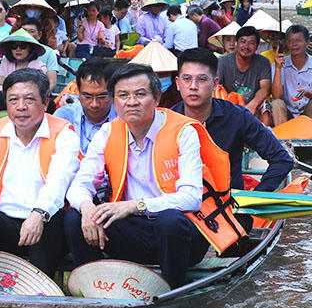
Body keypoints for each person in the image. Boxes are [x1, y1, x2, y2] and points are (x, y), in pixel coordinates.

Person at [65, 64, 246, 288]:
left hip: (180, 233)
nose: (131, 102)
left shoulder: (183, 131)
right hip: (131, 230)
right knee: (75, 217)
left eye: (140, 94)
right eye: (123, 95)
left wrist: (134, 206)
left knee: (169, 221)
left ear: (157, 98)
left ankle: (171, 293)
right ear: (114, 101)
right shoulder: (108, 132)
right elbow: (81, 183)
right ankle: (93, 289)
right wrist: (86, 209)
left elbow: (191, 198)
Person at [0, 69, 80, 277]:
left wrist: (38, 214)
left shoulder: (64, 134)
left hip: (45, 224)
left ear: (45, 102)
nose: (20, 107)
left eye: (29, 99)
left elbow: (58, 182)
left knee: (54, 217)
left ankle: (39, 285)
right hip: (6, 223)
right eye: (13, 100)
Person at [172, 48, 292, 192]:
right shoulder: (167, 121)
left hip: (229, 202)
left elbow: (282, 160)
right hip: (180, 202)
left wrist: (253, 198)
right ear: (178, 83)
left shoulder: (237, 116)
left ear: (215, 84)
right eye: (187, 79)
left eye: (202, 79)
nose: (193, 86)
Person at [270, 24, 312, 126]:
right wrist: (277, 68)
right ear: (286, 44)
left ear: (307, 43)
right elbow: (276, 96)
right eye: (290, 41)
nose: (294, 44)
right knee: (276, 103)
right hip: (288, 113)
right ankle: (282, 135)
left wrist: (308, 93)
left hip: (308, 112)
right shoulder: (279, 64)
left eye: (298, 40)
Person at [53, 58, 117, 154]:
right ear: (78, 92)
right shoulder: (63, 117)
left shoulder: (124, 119)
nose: (94, 104)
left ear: (113, 92)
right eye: (87, 96)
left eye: (102, 96)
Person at [216, 26, 272, 118]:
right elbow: (216, 87)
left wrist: (252, 105)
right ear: (236, 43)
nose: (246, 46)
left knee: (266, 110)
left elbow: (265, 88)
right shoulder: (222, 61)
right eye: (243, 42)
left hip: (253, 104)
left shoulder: (263, 62)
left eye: (251, 43)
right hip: (229, 104)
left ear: (257, 46)